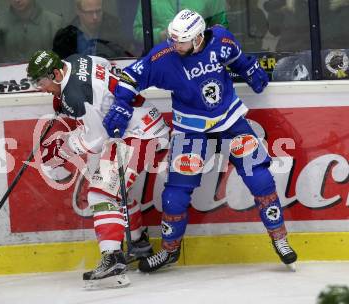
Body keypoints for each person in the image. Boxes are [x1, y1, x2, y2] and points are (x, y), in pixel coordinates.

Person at [103, 9, 298, 273]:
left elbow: (238, 58)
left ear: (198, 38)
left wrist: (250, 70)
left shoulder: (221, 40)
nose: (175, 45)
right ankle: (170, 251)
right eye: (172, 39)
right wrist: (122, 103)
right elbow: (129, 78)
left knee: (260, 177)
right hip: (190, 127)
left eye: (181, 41)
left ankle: (280, 239)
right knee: (174, 195)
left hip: (229, 118)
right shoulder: (163, 57)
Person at [27, 50, 170, 288]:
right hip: (145, 124)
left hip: (138, 134)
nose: (41, 88)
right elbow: (106, 65)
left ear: (55, 73)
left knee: (102, 192)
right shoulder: (74, 60)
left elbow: (95, 140)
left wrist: (63, 149)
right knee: (116, 191)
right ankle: (139, 244)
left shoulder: (74, 95)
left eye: (42, 82)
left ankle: (112, 256)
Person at [0, 0, 63, 64]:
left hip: (47, 80)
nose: (17, 0)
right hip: (7, 79)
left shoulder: (54, 24)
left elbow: (64, 60)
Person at [52, 0, 129, 59]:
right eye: (89, 12)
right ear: (78, 11)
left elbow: (123, 58)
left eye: (98, 11)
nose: (95, 17)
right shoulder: (65, 38)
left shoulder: (114, 29)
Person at [133, 0, 229, 45]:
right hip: (164, 59)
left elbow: (221, 29)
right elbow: (137, 32)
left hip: (200, 62)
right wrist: (160, 35)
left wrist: (201, 38)